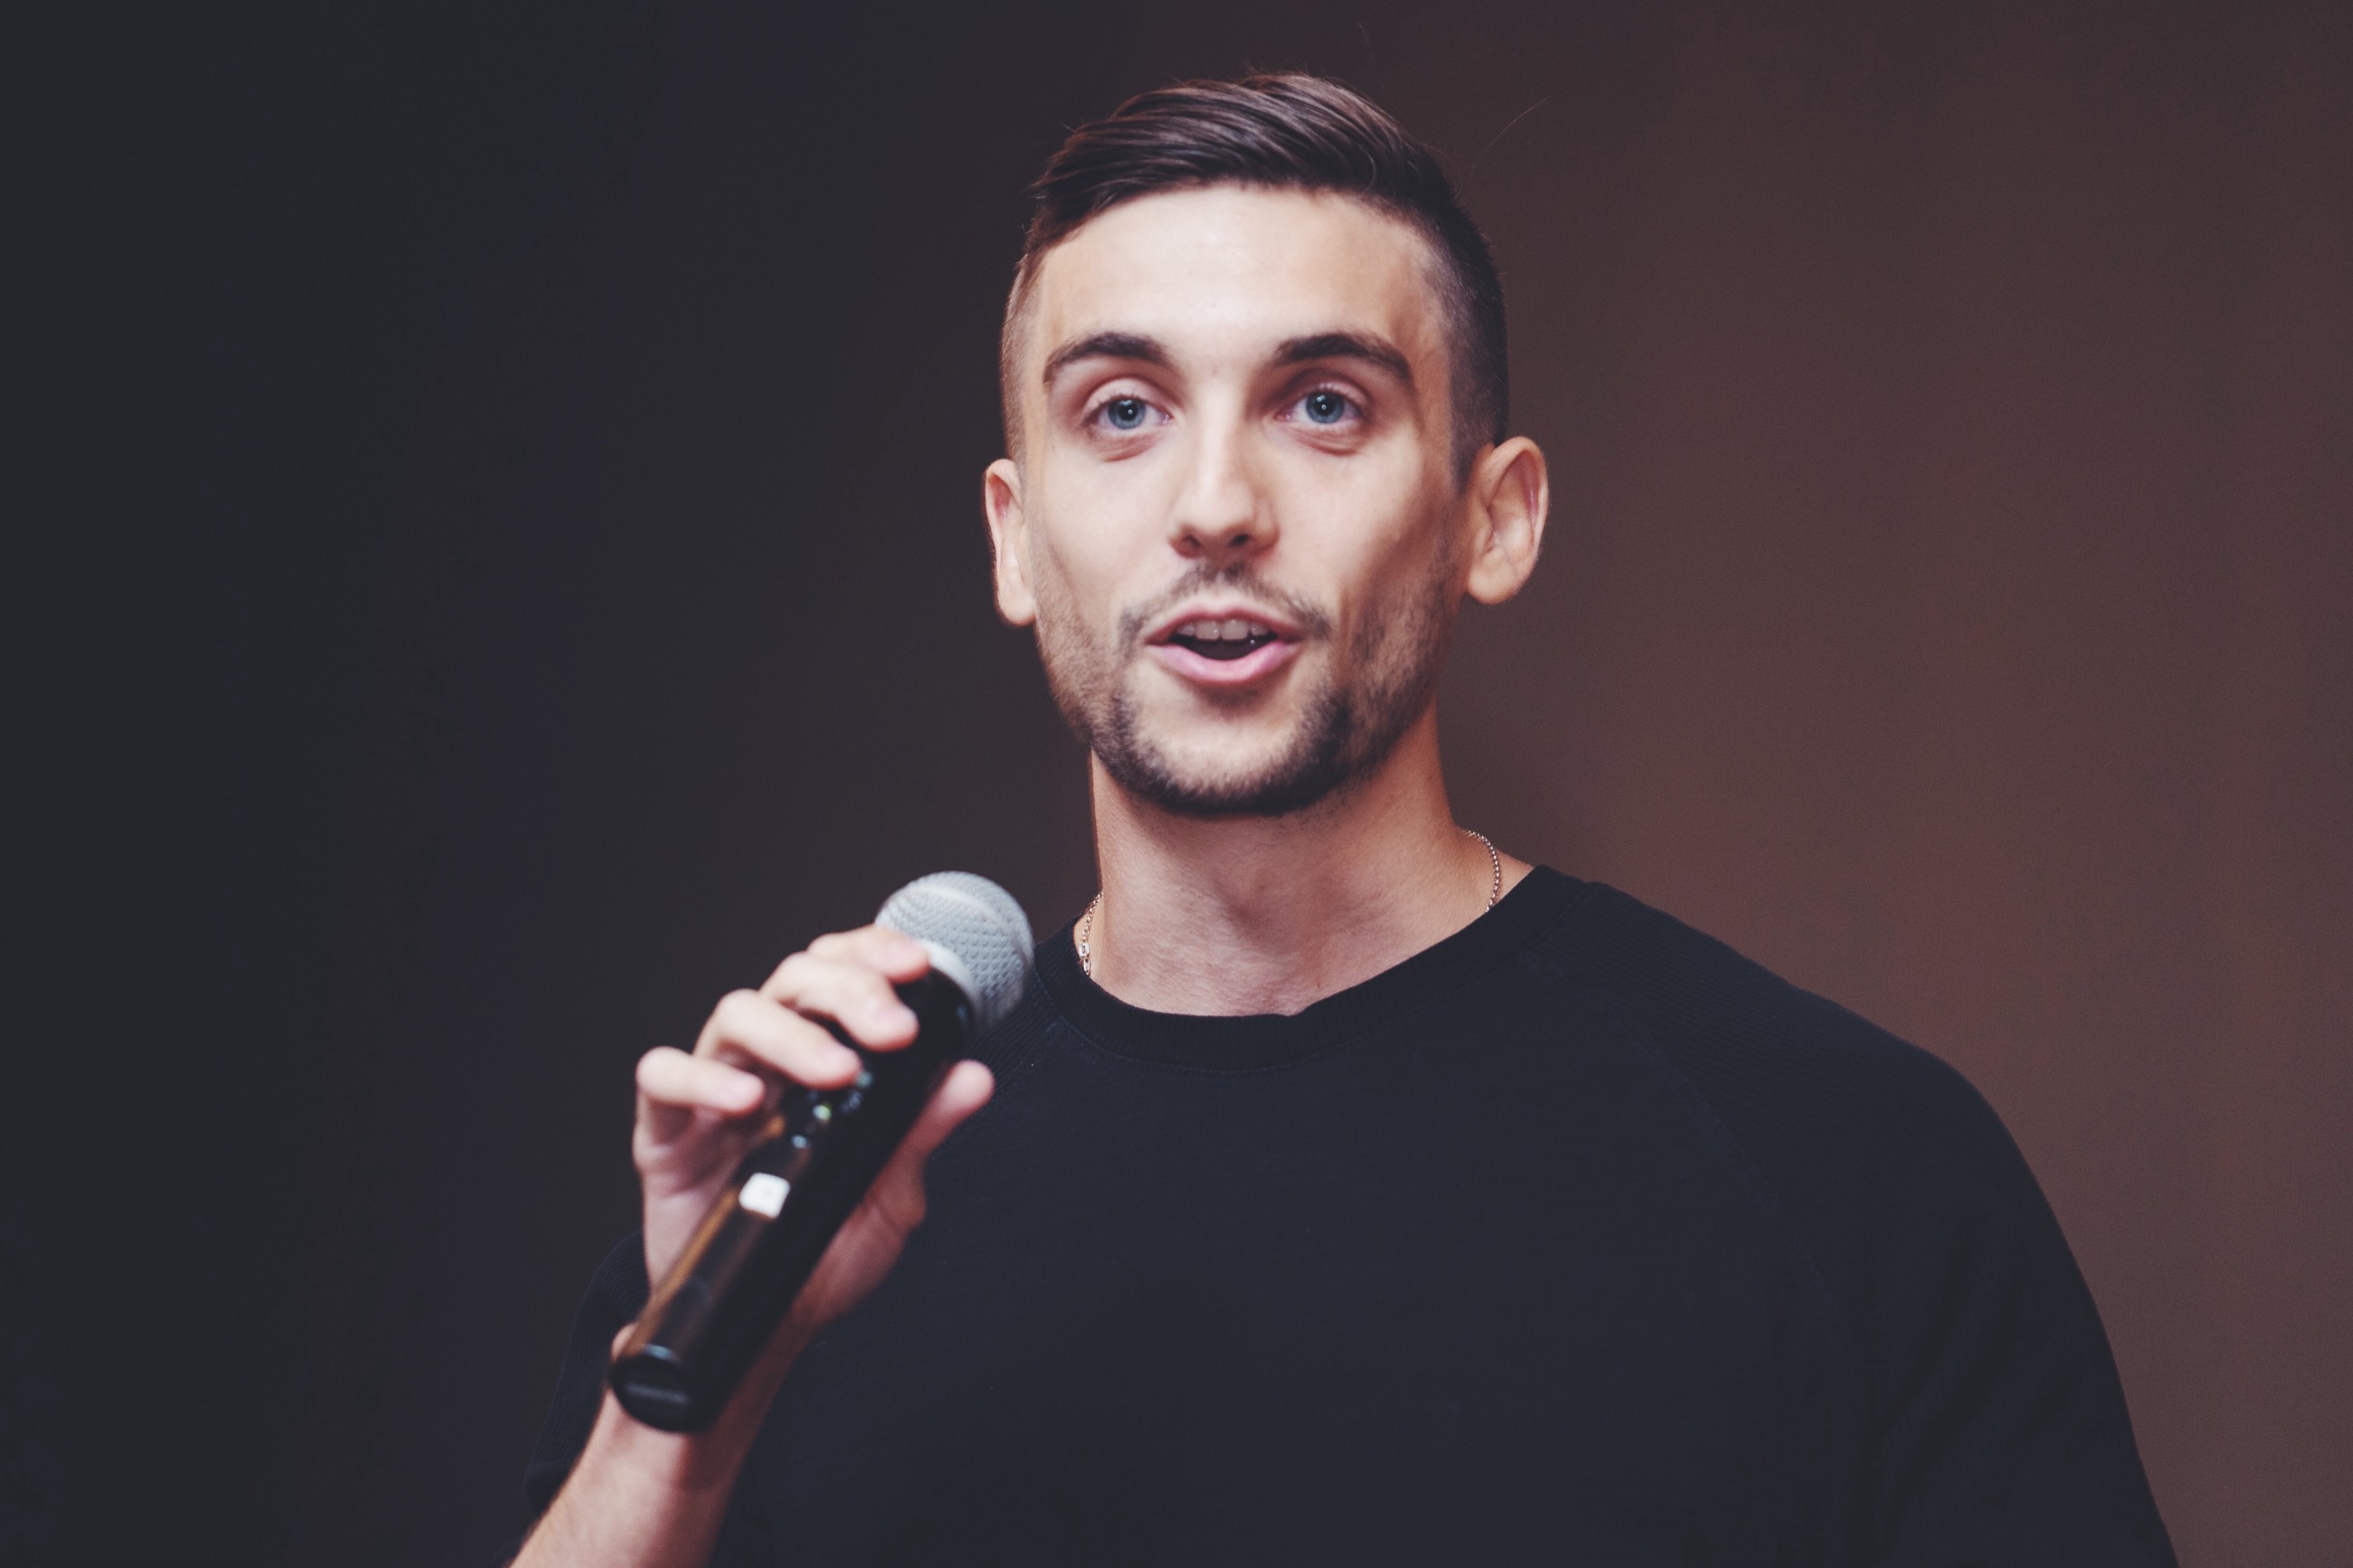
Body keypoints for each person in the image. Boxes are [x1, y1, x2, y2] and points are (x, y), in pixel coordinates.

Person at [515, 74, 2174, 1566]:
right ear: (1014, 541)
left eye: (1323, 404)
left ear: (1491, 518)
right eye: (1122, 410)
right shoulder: (800, 1200)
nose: (1216, 509)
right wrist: (680, 1421)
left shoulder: (1849, 1168)